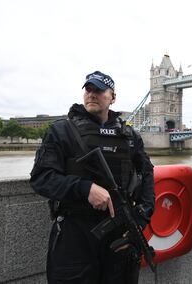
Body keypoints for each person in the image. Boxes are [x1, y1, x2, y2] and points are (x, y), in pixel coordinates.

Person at [30, 71, 155, 284]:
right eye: (88, 89)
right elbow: (41, 178)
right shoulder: (61, 132)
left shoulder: (129, 136)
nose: (92, 94)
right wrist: (84, 188)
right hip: (75, 235)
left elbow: (147, 175)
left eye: (99, 90)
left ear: (112, 97)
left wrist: (140, 220)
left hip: (120, 235)